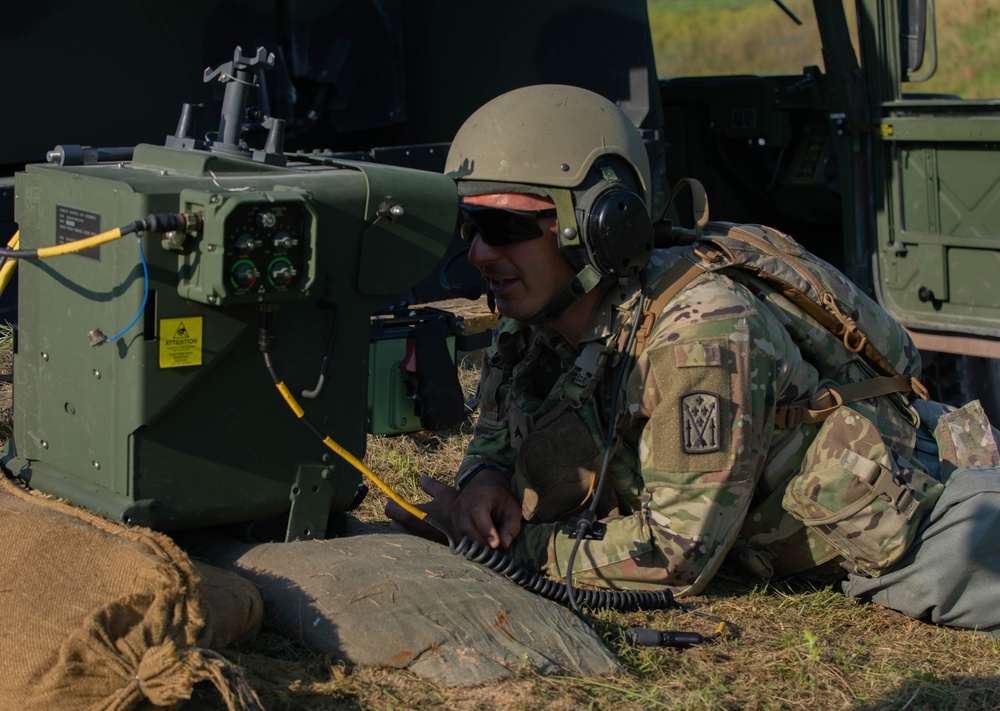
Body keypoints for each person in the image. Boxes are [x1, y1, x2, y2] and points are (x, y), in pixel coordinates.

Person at [387, 84, 1000, 635]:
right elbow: (495, 434)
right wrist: (483, 486)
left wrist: (496, 551)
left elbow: (672, 557)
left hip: (930, 521)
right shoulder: (536, 318)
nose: (478, 252)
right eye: (469, 224)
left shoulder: (701, 333)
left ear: (600, 224)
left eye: (503, 227)